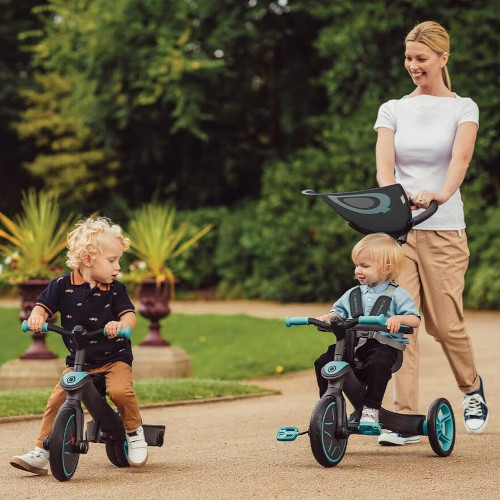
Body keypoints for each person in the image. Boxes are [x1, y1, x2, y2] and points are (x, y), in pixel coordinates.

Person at [374, 20, 488, 445]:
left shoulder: (463, 108)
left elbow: (460, 160)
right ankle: (404, 420)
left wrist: (439, 194)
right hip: (400, 233)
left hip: (444, 229)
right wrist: (396, 197)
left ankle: (471, 388)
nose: (413, 66)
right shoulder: (393, 109)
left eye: (421, 58)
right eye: (408, 58)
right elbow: (386, 167)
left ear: (443, 58)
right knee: (400, 324)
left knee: (445, 325)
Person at [10, 216, 148, 475]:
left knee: (120, 392)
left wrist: (120, 325)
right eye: (112, 260)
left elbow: (129, 315)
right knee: (57, 399)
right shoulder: (62, 285)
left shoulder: (115, 289)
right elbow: (42, 306)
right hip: (79, 361)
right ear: (87, 259)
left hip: (113, 357)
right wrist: (38, 316)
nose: (118, 266)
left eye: (118, 260)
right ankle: (42, 451)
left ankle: (133, 432)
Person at [314, 233, 421, 427]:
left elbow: (414, 319)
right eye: (356, 265)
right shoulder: (353, 294)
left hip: (383, 346)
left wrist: (398, 319)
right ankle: (328, 406)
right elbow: (338, 312)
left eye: (365, 266)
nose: (358, 271)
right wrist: (330, 318)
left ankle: (371, 409)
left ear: (387, 268)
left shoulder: (397, 294)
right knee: (323, 362)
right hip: (352, 346)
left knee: (378, 363)